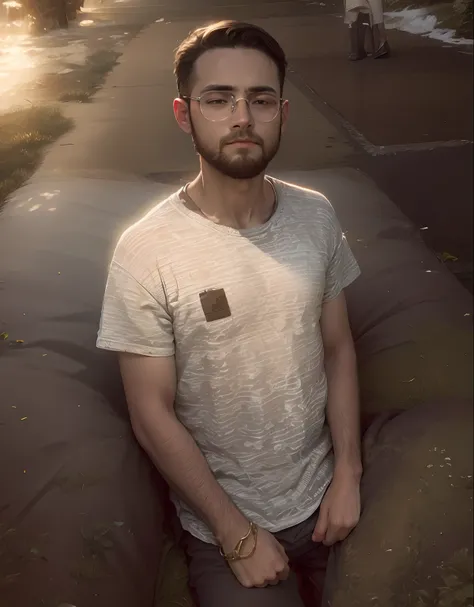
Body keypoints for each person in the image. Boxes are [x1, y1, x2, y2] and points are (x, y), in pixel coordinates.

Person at [97, 20, 362, 607]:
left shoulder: (316, 218)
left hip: (330, 501)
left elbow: (339, 347)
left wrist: (349, 474)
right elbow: (150, 411)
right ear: (183, 113)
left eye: (260, 99)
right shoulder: (146, 251)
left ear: (282, 114)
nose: (242, 116)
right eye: (218, 99)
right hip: (224, 530)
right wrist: (236, 535)